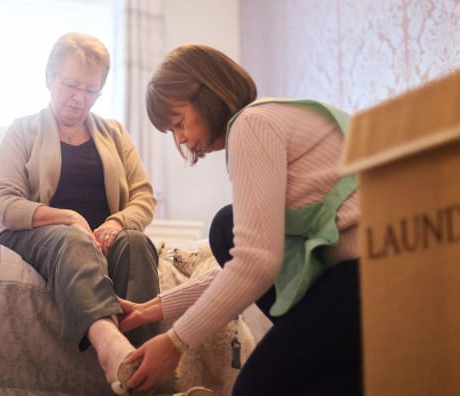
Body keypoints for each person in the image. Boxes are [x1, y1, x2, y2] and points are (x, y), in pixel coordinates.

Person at [117, 44, 362, 396]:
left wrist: (175, 342)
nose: (181, 139)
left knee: (253, 386)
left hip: (366, 275)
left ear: (206, 93)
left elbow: (255, 264)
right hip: (369, 274)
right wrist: (148, 310)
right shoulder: (274, 117)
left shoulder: (252, 125)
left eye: (179, 123)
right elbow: (249, 266)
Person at [0, 32, 160, 393]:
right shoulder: (23, 130)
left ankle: (143, 372)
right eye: (70, 85)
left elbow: (143, 197)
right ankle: (110, 347)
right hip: (42, 236)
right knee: (72, 238)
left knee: (137, 243)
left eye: (91, 89)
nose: (79, 98)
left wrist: (117, 221)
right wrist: (68, 218)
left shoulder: (114, 133)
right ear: (49, 78)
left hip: (101, 238)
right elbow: (4, 200)